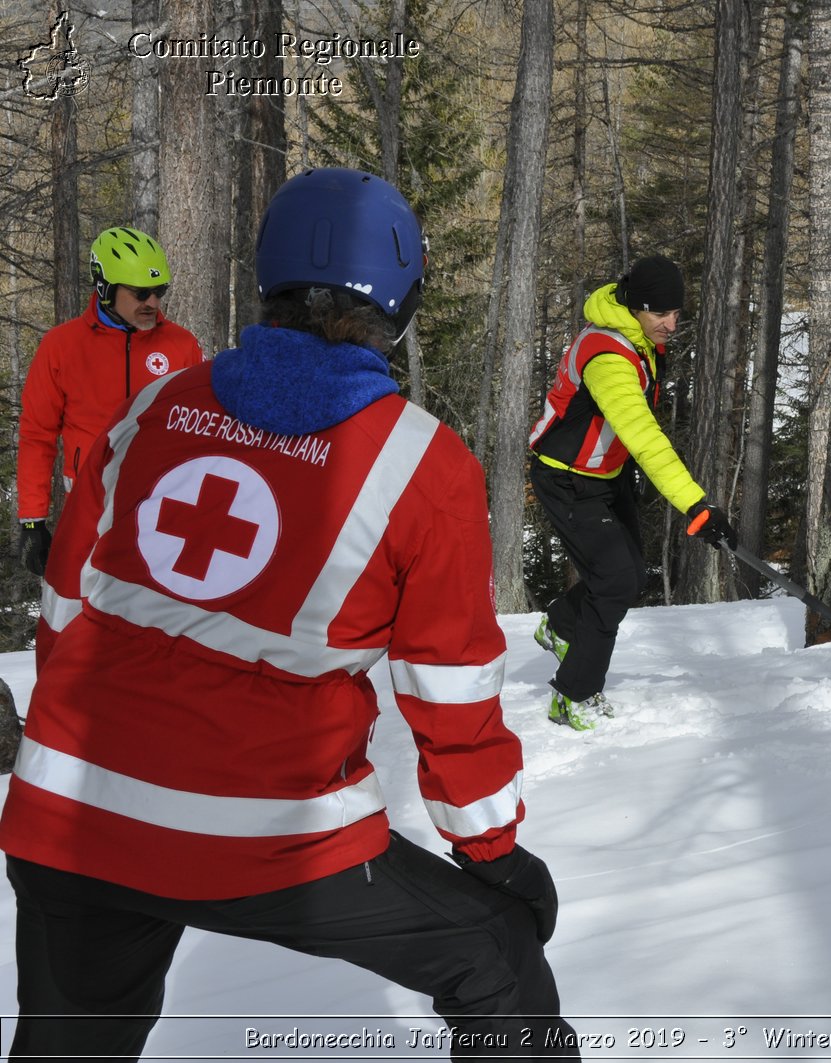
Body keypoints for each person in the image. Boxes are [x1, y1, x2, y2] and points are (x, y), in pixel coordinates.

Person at [0, 168, 579, 1059]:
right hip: (268, 838)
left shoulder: (157, 404)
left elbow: (66, 606)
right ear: (401, 302)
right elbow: (450, 692)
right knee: (497, 960)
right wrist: (494, 852)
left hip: (67, 814)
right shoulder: (424, 464)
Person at [528, 255, 734, 730]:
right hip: (567, 477)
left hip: (605, 472)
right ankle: (572, 696)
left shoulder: (638, 333)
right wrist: (696, 504)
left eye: (677, 313)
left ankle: (560, 624)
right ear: (636, 308)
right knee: (615, 582)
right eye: (661, 314)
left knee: (629, 574)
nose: (671, 324)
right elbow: (642, 434)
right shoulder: (607, 357)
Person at [16, 226, 204, 576]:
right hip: (89, 513)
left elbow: (198, 433)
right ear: (105, 288)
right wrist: (33, 521)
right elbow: (36, 435)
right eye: (141, 293)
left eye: (159, 291)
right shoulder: (62, 346)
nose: (153, 303)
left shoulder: (182, 345)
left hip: (163, 515)